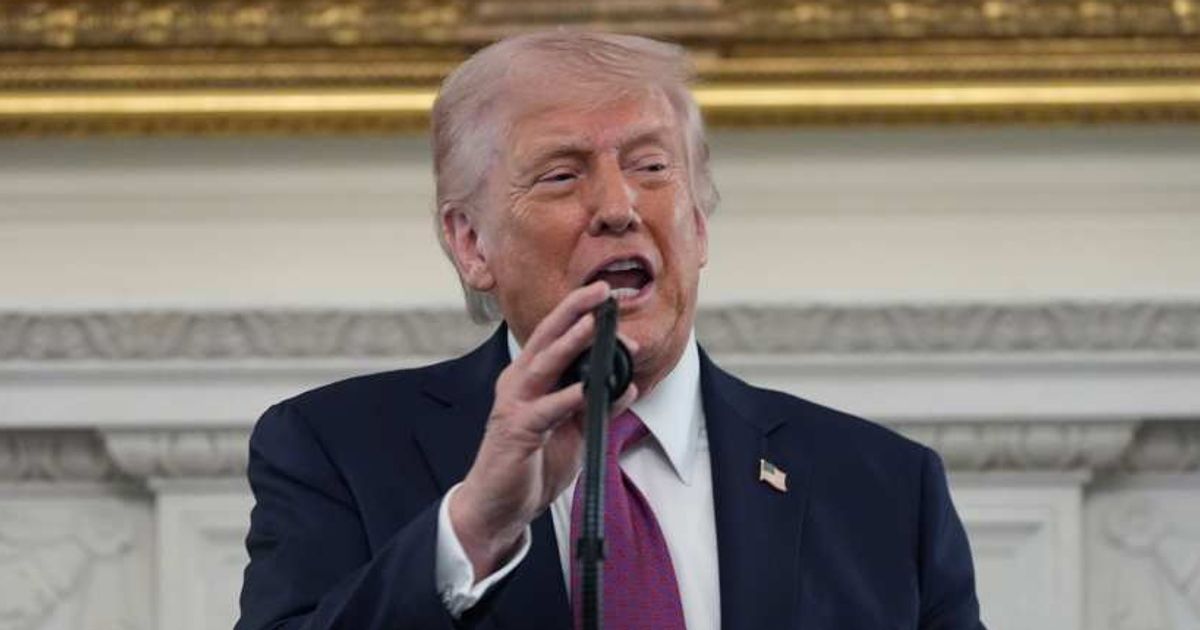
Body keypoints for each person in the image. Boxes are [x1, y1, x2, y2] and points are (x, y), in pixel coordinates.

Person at [236, 30, 985, 630]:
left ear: (697, 225)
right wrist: (473, 531)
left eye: (651, 167)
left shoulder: (884, 487)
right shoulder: (336, 449)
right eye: (562, 174)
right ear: (471, 244)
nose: (619, 207)